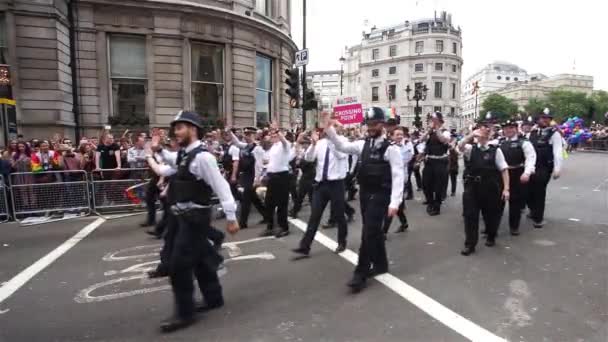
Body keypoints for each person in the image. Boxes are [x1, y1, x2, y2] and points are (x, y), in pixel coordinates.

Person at [144, 111, 239, 333]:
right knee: (201, 260)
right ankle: (214, 298)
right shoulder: (186, 155)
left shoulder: (203, 157)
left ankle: (184, 313)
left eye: (180, 128)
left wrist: (232, 217)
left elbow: (221, 186)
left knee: (178, 265)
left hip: (195, 217)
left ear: (193, 129)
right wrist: (155, 152)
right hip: (183, 217)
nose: (175, 132)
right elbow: (168, 165)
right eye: (175, 128)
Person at [323, 107, 404, 292]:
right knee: (373, 232)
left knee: (367, 233)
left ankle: (360, 272)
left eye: (374, 124)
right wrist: (329, 128)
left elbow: (399, 176)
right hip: (365, 195)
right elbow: (342, 146)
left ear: (382, 124)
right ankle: (381, 264)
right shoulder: (362, 145)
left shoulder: (391, 149)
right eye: (368, 124)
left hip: (381, 195)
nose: (371, 127)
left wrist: (394, 203)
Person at [292, 128, 350, 258]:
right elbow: (309, 158)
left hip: (336, 184)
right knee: (314, 216)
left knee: (340, 215)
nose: (326, 130)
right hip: (321, 184)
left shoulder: (343, 141)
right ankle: (304, 247)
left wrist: (331, 141)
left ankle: (342, 242)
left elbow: (341, 155)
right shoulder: (320, 143)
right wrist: (313, 144)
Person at [458, 116, 510, 256]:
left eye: (486, 129)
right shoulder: (470, 148)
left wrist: (506, 189)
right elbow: (459, 146)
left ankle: (491, 235)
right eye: (481, 128)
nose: (483, 131)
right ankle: (470, 244)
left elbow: (504, 170)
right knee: (470, 216)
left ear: (489, 134)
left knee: (491, 215)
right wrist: (470, 135)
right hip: (472, 188)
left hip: (490, 188)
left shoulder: (495, 150)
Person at [499, 120, 536, 236]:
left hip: (517, 173)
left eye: (511, 128)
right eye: (506, 128)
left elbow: (531, 157)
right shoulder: (498, 142)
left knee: (515, 203)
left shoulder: (524, 143)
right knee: (497, 202)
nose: (508, 130)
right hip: (501, 174)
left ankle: (514, 227)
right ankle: (492, 227)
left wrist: (527, 172)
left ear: (516, 129)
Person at [528, 108, 563, 228]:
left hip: (544, 167)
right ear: (538, 119)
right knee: (529, 191)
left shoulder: (555, 134)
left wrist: (557, 168)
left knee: (539, 192)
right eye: (542, 118)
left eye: (547, 118)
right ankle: (533, 210)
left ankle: (538, 218)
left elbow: (558, 152)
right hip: (531, 166)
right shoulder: (532, 132)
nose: (544, 120)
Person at [259, 123, 292, 238]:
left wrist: (277, 130)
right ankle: (270, 226)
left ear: (279, 135)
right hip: (272, 178)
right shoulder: (272, 148)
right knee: (269, 203)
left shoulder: (285, 145)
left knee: (282, 204)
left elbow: (284, 141)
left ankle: (284, 227)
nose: (272, 136)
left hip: (282, 177)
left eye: (274, 135)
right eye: (271, 135)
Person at [229, 126, 266, 228]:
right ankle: (267, 215)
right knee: (253, 198)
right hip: (246, 175)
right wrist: (229, 132)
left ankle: (242, 223)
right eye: (245, 134)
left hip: (252, 175)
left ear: (254, 135)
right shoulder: (246, 146)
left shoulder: (257, 148)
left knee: (246, 199)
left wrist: (256, 179)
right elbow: (236, 143)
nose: (246, 137)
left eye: (249, 135)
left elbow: (258, 165)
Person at [420, 112, 451, 216]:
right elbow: (421, 140)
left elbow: (443, 140)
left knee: (438, 186)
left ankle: (436, 207)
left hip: (440, 162)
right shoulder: (430, 132)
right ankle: (430, 202)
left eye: (434, 120)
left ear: (439, 121)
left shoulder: (445, 132)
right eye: (431, 120)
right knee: (425, 184)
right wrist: (429, 130)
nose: (432, 121)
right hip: (429, 162)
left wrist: (437, 128)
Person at [382, 126, 411, 235]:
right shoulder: (390, 148)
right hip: (391, 179)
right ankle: (404, 223)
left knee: (393, 203)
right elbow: (385, 159)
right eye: (397, 134)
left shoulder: (408, 145)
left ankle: (383, 231)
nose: (399, 136)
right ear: (392, 136)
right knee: (397, 204)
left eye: (401, 134)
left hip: (402, 178)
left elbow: (407, 159)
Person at [289, 132, 316, 219]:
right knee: (300, 196)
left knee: (312, 197)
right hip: (305, 176)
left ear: (309, 144)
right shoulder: (303, 152)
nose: (303, 145)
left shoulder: (312, 153)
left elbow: (307, 162)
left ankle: (314, 213)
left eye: (305, 144)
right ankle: (294, 211)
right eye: (303, 144)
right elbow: (297, 152)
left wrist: (300, 161)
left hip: (311, 176)